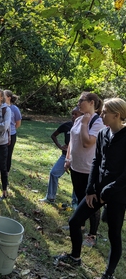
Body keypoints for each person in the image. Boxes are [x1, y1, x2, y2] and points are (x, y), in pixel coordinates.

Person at [55, 98, 126, 279]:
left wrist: (109, 191)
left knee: (113, 233)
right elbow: (96, 161)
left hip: (118, 192)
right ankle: (75, 256)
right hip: (98, 189)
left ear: (117, 115)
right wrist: (90, 189)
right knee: (74, 221)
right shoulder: (103, 133)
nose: (101, 114)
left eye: (104, 113)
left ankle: (108, 274)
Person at [63, 92, 105, 247]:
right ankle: (79, 226)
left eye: (81, 101)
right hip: (76, 167)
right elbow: (72, 142)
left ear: (92, 102)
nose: (79, 103)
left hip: (89, 169)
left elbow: (88, 143)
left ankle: (92, 236)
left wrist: (86, 122)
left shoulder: (97, 122)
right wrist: (68, 159)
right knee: (81, 198)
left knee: (91, 203)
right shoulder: (79, 119)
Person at [39, 107, 82, 205]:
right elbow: (53, 135)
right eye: (72, 114)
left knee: (77, 180)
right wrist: (60, 146)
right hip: (65, 156)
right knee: (53, 173)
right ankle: (50, 197)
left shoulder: (85, 127)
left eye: (76, 114)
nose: (73, 116)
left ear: (82, 115)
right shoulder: (67, 125)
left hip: (78, 157)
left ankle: (75, 203)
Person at [4, 90, 22, 176]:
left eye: (3, 95)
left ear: (9, 98)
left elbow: (18, 123)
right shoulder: (0, 107)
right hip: (1, 135)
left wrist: (11, 130)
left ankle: (6, 172)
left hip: (11, 135)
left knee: (8, 154)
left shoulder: (14, 109)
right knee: (0, 153)